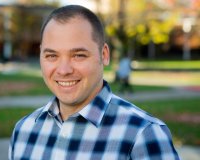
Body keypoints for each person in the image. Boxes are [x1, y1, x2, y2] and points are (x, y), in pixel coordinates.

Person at [9, 5, 180, 160]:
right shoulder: (24, 130)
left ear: (104, 55)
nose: (64, 70)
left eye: (78, 55)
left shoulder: (143, 135)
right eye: (52, 56)